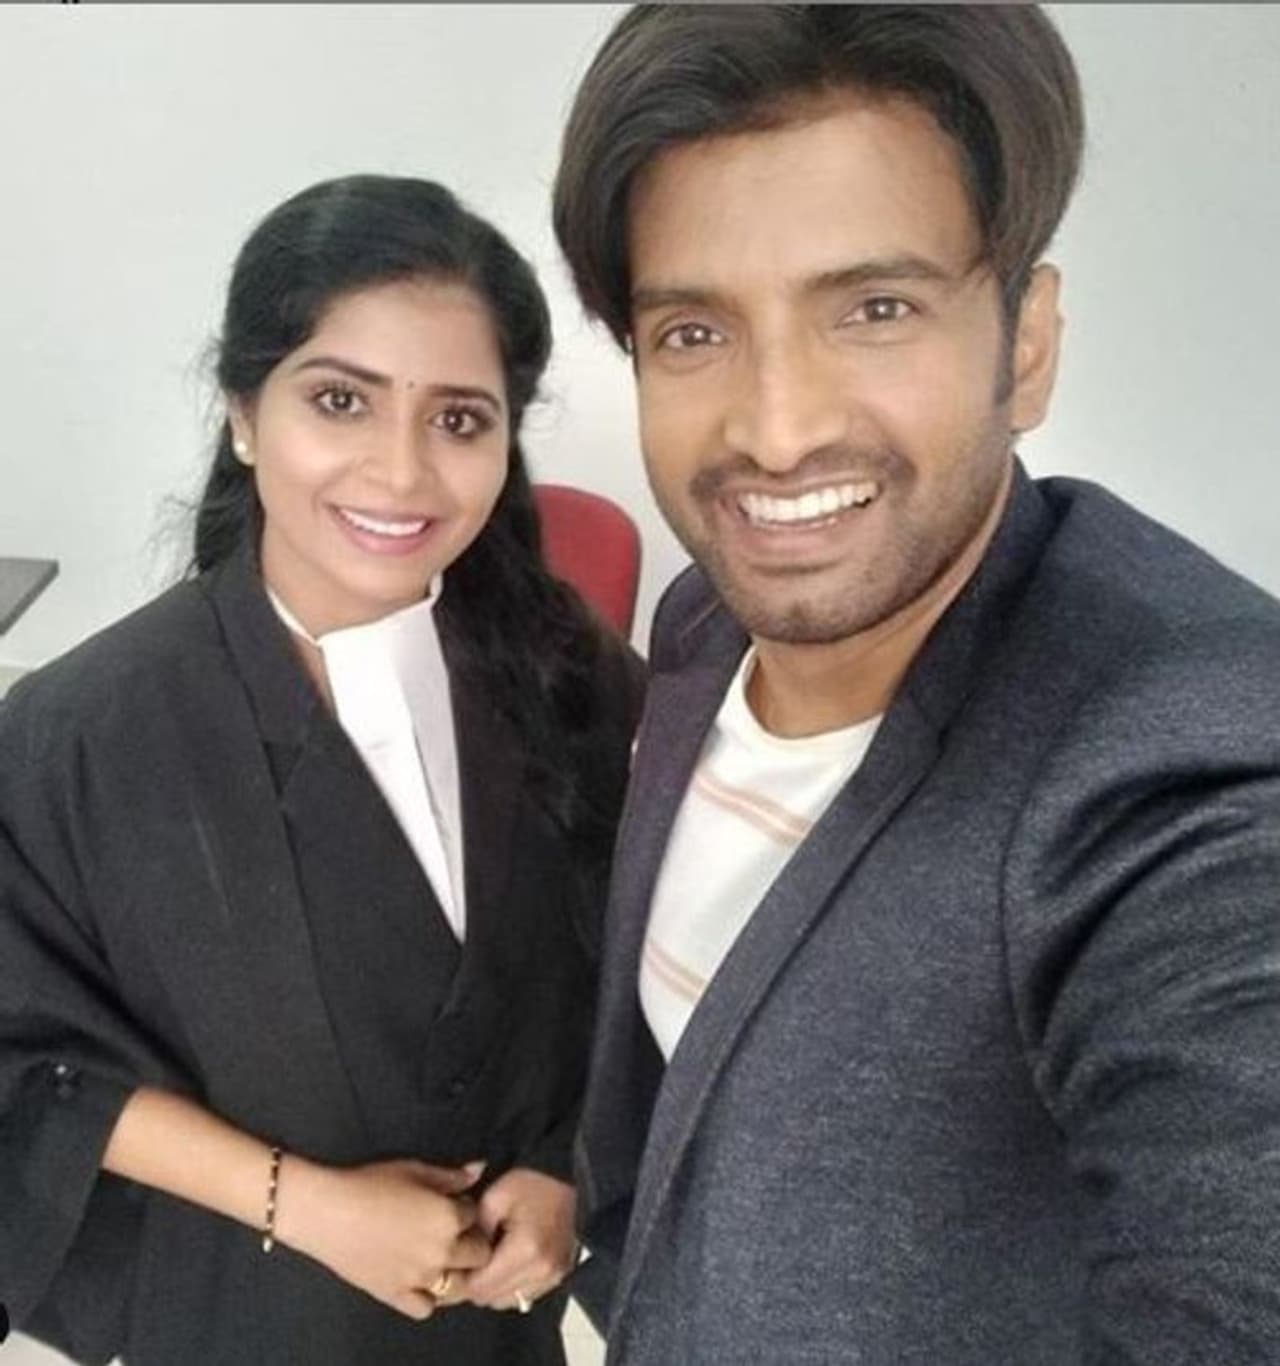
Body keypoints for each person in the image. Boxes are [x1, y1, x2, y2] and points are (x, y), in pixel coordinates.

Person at [551, 5, 1280, 1362]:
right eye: (694, 332)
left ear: (1027, 343)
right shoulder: (707, 620)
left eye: (874, 309)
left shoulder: (1186, 756)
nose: (777, 431)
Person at [0, 174, 642, 1365]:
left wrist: (568, 1170)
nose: (400, 473)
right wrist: (304, 1204)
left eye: (459, 419)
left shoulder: (571, 674)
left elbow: (637, 977)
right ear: (244, 413)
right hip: (243, 1317)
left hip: (498, 1331)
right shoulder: (79, 732)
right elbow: (25, 1056)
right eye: (340, 400)